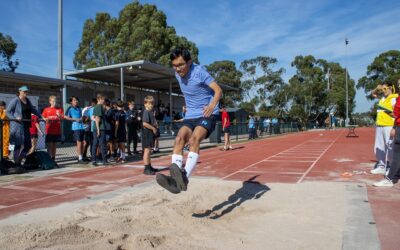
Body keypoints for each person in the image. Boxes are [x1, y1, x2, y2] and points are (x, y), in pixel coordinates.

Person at [156, 48, 222, 193]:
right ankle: (175, 180)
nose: (177, 69)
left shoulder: (199, 72)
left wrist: (212, 106)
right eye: (174, 65)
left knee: (194, 139)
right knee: (179, 139)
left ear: (189, 62)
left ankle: (184, 178)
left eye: (180, 64)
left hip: (206, 114)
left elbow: (218, 90)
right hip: (190, 115)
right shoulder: (177, 74)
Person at [7, 86, 43, 165]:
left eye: (26, 91)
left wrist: (41, 117)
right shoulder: (15, 100)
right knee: (18, 144)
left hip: (26, 126)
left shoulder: (28, 100)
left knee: (28, 145)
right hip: (18, 126)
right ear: (20, 91)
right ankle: (17, 164)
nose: (25, 93)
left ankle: (18, 161)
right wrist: (15, 118)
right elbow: (8, 112)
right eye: (24, 91)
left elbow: (33, 110)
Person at [374, 79, 400, 187]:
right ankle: (383, 167)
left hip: (390, 125)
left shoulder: (394, 97)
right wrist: (378, 88)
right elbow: (374, 94)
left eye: (385, 88)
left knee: (393, 149)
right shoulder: (383, 98)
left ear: (390, 88)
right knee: (381, 147)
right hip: (381, 124)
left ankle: (390, 172)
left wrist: (393, 124)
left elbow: (396, 112)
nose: (383, 90)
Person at [64, 96, 85, 163]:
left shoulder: (79, 108)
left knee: (83, 143)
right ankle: (80, 158)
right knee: (79, 143)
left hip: (82, 127)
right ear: (71, 102)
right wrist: (75, 119)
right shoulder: (69, 108)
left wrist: (82, 118)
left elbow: (81, 116)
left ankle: (82, 156)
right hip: (76, 128)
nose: (76, 101)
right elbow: (66, 117)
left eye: (77, 100)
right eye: (74, 100)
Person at [42, 95, 63, 161]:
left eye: (55, 101)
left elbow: (62, 119)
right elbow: (42, 117)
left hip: (57, 130)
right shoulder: (46, 109)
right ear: (50, 102)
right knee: (49, 145)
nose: (54, 103)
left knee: (54, 145)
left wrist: (59, 116)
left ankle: (53, 158)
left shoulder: (59, 109)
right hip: (49, 130)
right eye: (53, 101)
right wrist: (45, 119)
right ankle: (48, 158)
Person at [141, 96, 159, 175]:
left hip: (150, 133)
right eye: (149, 104)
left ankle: (149, 166)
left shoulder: (151, 112)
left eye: (152, 103)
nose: (151, 105)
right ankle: (146, 168)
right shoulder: (146, 112)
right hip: (147, 133)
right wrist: (153, 128)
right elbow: (144, 123)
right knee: (147, 151)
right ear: (145, 104)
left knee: (149, 150)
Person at [91, 94, 108, 166]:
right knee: (102, 144)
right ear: (99, 99)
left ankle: (94, 160)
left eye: (103, 99)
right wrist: (98, 129)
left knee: (95, 144)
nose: (103, 101)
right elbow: (97, 118)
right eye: (102, 99)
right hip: (100, 128)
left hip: (98, 128)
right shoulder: (98, 107)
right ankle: (104, 160)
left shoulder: (97, 107)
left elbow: (93, 117)